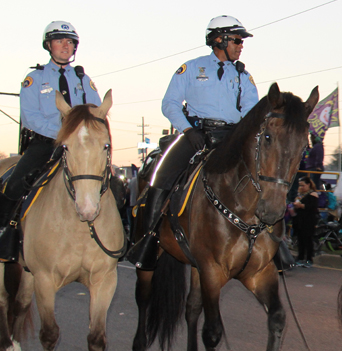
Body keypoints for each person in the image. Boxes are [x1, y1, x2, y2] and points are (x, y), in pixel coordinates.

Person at [127, 15, 258, 269]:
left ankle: (274, 245)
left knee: (263, 177)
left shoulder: (244, 76)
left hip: (232, 138)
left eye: (241, 41)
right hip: (196, 135)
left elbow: (251, 112)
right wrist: (188, 131)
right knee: (161, 177)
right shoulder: (191, 68)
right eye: (237, 40)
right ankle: (148, 241)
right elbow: (170, 103)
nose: (241, 45)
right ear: (219, 40)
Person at [0, 21, 103, 261]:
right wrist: (64, 133)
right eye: (59, 41)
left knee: (111, 184)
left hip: (80, 147)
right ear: (49, 45)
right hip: (46, 143)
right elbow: (30, 117)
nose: (65, 46)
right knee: (14, 185)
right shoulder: (34, 78)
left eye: (70, 42)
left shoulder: (83, 79)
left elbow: (97, 112)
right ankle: (6, 236)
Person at [292, 177, 319, 268]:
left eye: (303, 185)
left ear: (308, 184)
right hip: (300, 219)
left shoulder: (313, 194)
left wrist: (301, 206)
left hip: (309, 220)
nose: (301, 187)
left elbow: (312, 207)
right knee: (300, 240)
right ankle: (300, 257)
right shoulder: (300, 195)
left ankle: (309, 259)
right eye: (300, 185)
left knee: (308, 240)